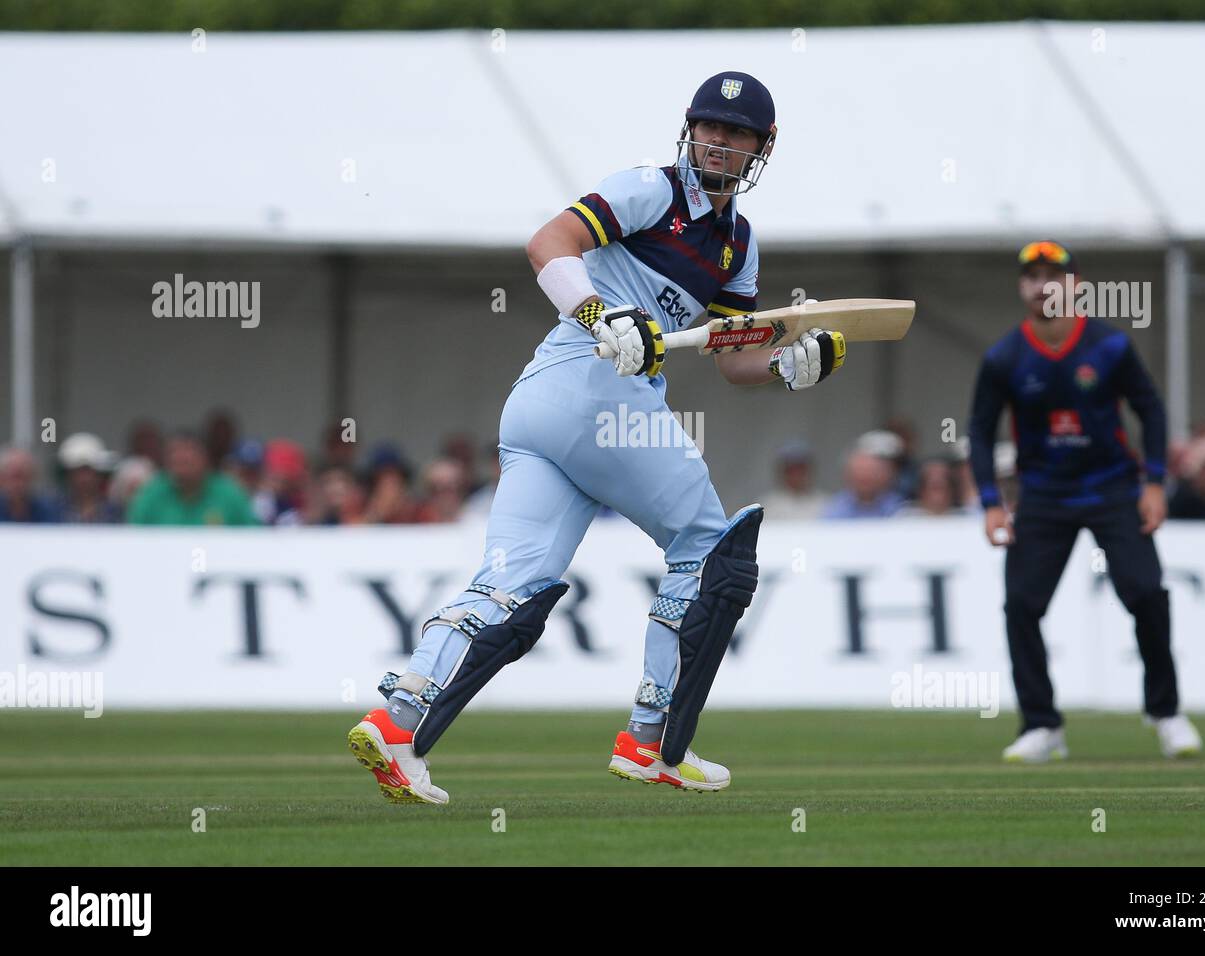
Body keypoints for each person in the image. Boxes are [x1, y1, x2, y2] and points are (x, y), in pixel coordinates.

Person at [347, 72, 848, 804]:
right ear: (689, 127)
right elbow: (548, 243)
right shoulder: (652, 189)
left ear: (762, 147)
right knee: (711, 556)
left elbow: (732, 355)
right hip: (591, 389)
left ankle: (394, 722)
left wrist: (786, 366)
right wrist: (597, 314)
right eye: (710, 126)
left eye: (737, 133)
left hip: (546, 407)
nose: (720, 141)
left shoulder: (738, 244)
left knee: (508, 588)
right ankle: (651, 741)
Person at [967, 240, 1201, 763]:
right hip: (1044, 495)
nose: (1043, 285)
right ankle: (1042, 725)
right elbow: (980, 432)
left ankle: (1165, 713)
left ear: (1074, 284)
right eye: (1033, 276)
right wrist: (990, 502)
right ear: (1022, 286)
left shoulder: (1109, 346)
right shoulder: (1004, 356)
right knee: (1022, 606)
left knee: (1145, 593)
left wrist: (1156, 483)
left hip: (1113, 489)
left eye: (1055, 275)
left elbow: (1152, 411)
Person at [127, 431, 260, 526]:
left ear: (205, 458)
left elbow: (252, 536)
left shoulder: (230, 494)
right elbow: (133, 537)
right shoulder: (151, 494)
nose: (182, 461)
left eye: (188, 457)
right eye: (175, 456)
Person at [822, 432, 905, 518]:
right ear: (847, 475)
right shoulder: (834, 509)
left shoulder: (900, 507)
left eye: (871, 472)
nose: (864, 477)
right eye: (859, 472)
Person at [55, 433, 121, 523]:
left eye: (88, 471)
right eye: (78, 471)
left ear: (99, 474)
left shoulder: (115, 512)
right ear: (68, 475)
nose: (84, 478)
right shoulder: (54, 511)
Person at [761, 439, 828, 520]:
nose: (796, 475)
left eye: (801, 469)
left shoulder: (825, 504)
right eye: (791, 470)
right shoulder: (768, 506)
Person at [0, 446, 60, 523]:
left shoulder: (49, 510)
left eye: (25, 476)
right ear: (2, 478)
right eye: (15, 476)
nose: (20, 483)